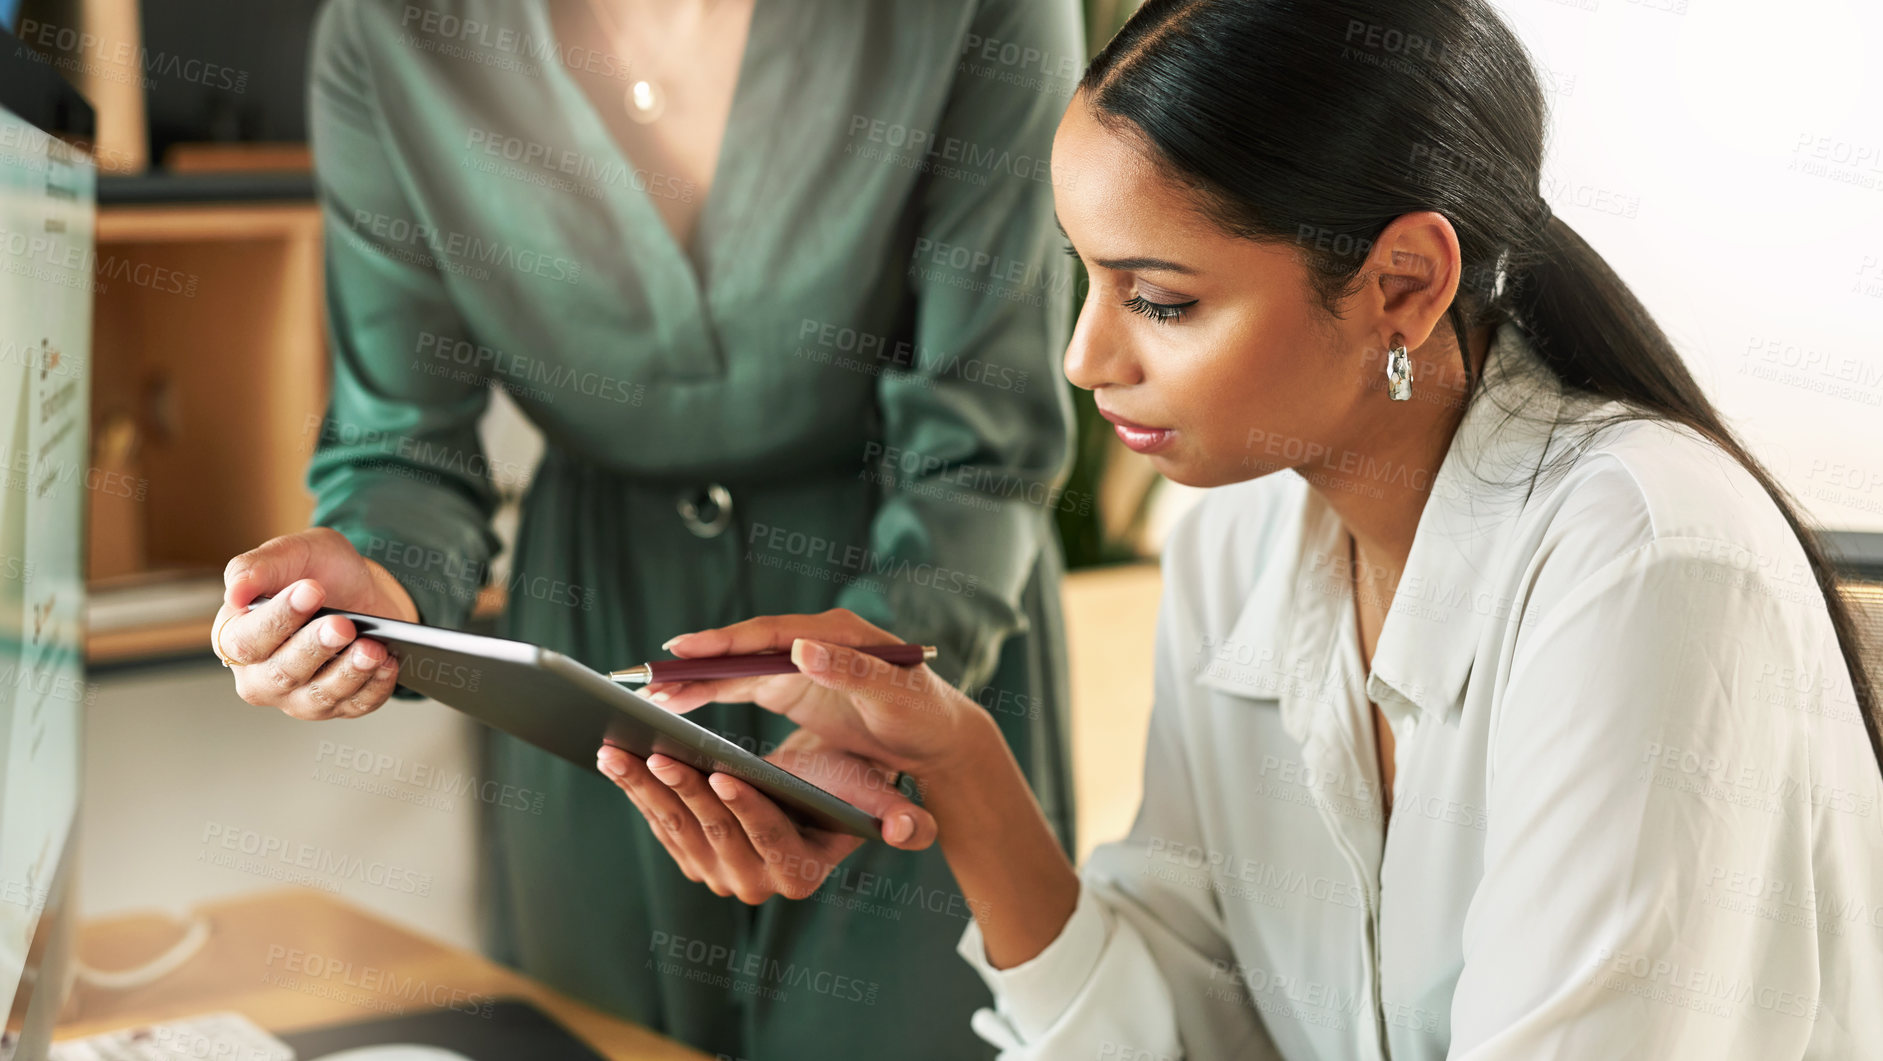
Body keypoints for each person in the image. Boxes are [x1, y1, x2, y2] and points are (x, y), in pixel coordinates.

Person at [596, 0, 1883, 1057]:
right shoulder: (1239, 537)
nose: (1083, 355)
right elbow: (1198, 1029)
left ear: (1403, 284)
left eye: (1157, 299)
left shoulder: (1643, 562)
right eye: (1082, 275)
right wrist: (959, 768)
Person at [208, 0, 1085, 1057]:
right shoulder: (391, 32)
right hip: (595, 674)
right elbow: (404, 446)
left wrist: (880, 684)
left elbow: (979, 445)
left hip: (915, 639)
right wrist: (367, 593)